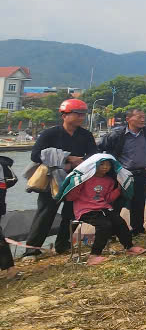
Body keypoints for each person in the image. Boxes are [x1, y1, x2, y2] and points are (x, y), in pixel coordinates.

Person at [24, 98, 98, 256]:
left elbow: (93, 156)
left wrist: (81, 162)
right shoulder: (50, 134)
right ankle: (32, 250)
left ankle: (62, 245)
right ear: (64, 115)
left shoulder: (86, 135)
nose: (81, 117)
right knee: (45, 214)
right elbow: (36, 155)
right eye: (77, 113)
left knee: (71, 214)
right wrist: (68, 158)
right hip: (52, 180)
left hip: (76, 180)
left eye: (83, 114)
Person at [98, 107, 146, 237]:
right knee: (115, 203)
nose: (143, 120)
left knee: (138, 203)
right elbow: (100, 147)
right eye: (139, 117)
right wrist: (105, 166)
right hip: (120, 175)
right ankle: (112, 233)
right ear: (128, 119)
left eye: (144, 117)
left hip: (141, 173)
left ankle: (138, 230)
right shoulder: (117, 134)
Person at [63, 156, 146, 265]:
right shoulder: (84, 179)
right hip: (85, 210)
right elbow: (70, 197)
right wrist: (76, 186)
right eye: (102, 164)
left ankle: (129, 247)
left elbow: (108, 199)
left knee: (119, 222)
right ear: (93, 165)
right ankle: (94, 255)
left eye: (108, 164)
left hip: (103, 207)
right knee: (104, 225)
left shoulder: (109, 181)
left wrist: (118, 190)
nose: (105, 167)